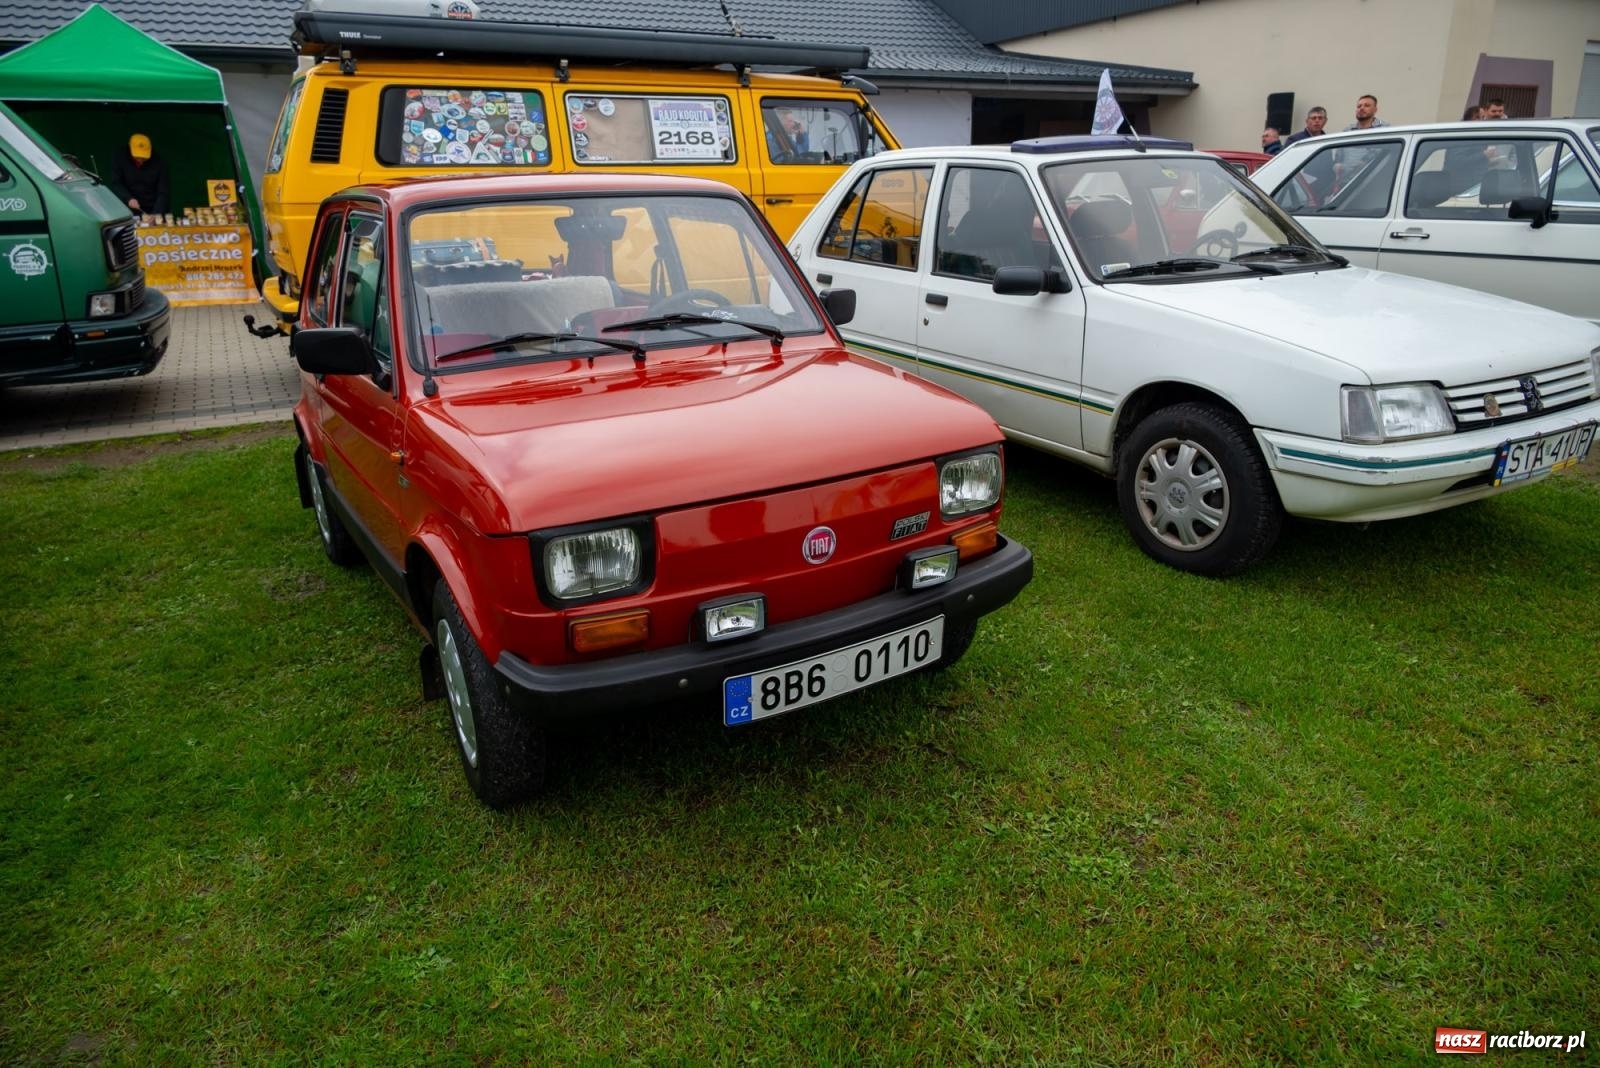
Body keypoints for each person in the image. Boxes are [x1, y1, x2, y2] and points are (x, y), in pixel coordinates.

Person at [109, 133, 170, 217]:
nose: (140, 160)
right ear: (130, 148)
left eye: (144, 157)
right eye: (137, 157)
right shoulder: (120, 157)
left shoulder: (159, 161)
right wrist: (128, 198)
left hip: (153, 208)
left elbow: (163, 192)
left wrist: (156, 213)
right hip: (128, 209)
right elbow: (117, 182)